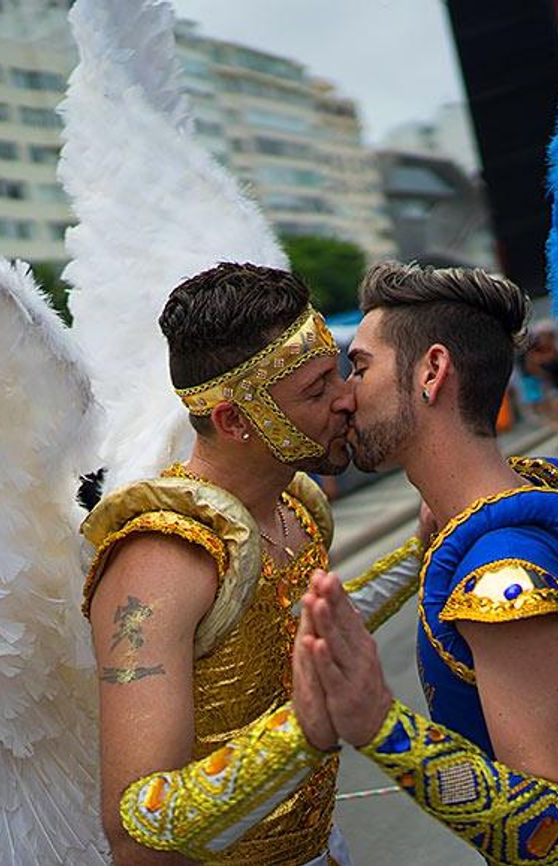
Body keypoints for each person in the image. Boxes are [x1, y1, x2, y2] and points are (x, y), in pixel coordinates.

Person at [291, 261, 558, 864]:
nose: (345, 396)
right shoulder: (555, 489)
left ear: (432, 372)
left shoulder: (504, 575)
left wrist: (380, 724)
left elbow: (553, 829)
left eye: (361, 366)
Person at [82, 262, 423, 865]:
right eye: (317, 390)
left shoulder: (297, 506)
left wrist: (421, 554)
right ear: (236, 420)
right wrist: (303, 734)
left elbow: (299, 631)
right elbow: (136, 831)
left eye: (338, 372)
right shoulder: (161, 560)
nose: (347, 397)